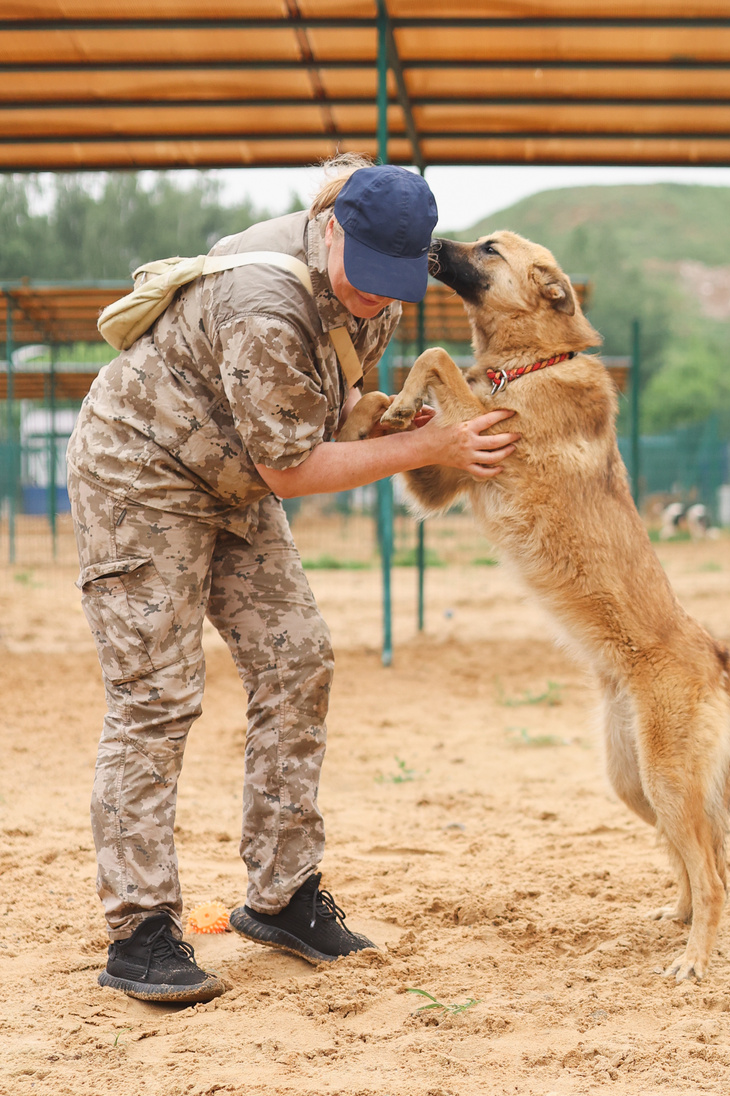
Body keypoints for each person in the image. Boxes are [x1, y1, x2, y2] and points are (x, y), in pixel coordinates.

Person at [66, 156, 519, 1003]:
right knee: (155, 696)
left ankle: (281, 895)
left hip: (232, 476)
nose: (375, 301)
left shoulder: (372, 296)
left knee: (298, 657)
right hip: (142, 476)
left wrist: (384, 419)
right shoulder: (264, 301)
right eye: (365, 279)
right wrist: (429, 448)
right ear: (332, 227)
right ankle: (141, 931)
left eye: (393, 286)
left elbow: (323, 418)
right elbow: (293, 469)